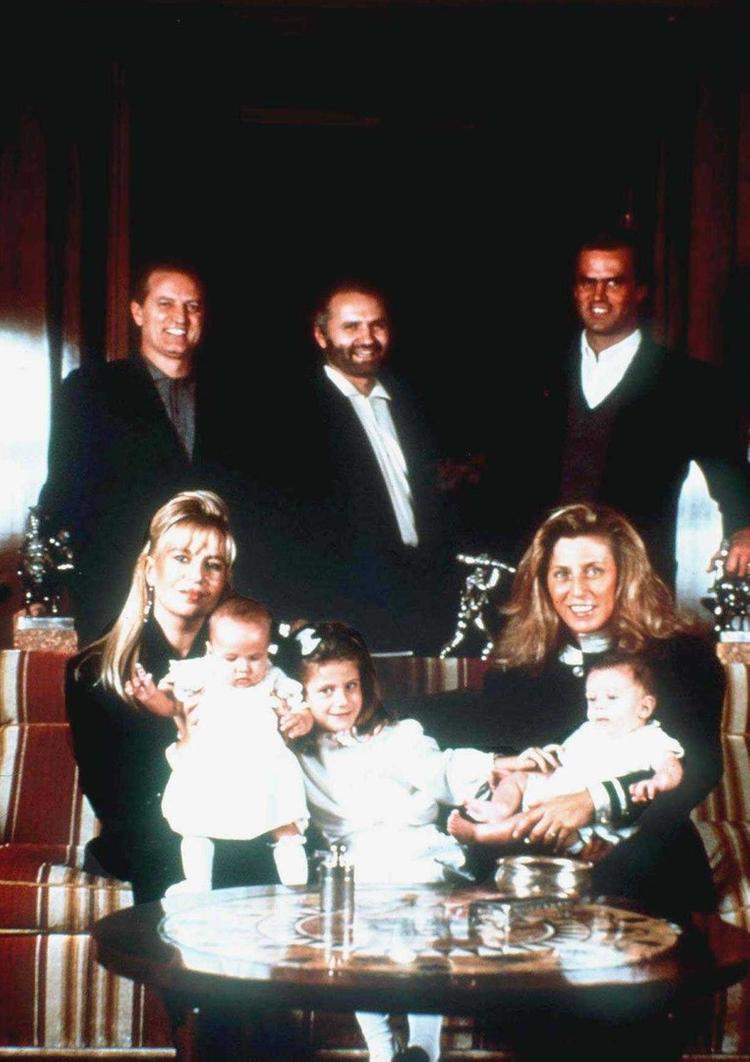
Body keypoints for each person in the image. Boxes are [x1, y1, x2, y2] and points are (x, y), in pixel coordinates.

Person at [398, 503, 724, 924]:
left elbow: (699, 766)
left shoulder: (681, 657)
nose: (577, 590)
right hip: (532, 861)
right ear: (544, 585)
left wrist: (590, 801)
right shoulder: (523, 667)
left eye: (594, 571)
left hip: (643, 853)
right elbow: (462, 718)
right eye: (562, 574)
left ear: (625, 577)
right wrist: (359, 703)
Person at [286, 621, 493, 1062]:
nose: (342, 701)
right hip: (353, 860)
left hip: (413, 851)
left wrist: (495, 769)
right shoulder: (297, 751)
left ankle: (424, 1045)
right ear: (300, 695)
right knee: (353, 937)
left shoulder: (396, 738)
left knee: (423, 935)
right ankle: (381, 1044)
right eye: (325, 691)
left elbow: (443, 769)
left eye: (351, 686)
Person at [516, 229, 750, 585]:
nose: (598, 296)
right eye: (588, 282)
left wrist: (744, 528)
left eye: (613, 283)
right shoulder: (537, 375)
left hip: (638, 588)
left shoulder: (688, 383)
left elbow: (731, 476)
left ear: (639, 291)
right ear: (575, 290)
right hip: (545, 583)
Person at [38, 260, 233, 642]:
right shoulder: (91, 389)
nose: (180, 317)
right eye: (165, 304)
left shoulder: (231, 397)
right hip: (119, 598)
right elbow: (65, 492)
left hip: (213, 605)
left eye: (192, 306)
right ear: (138, 312)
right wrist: (51, 587)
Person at [66, 490, 239, 904]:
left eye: (212, 564)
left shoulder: (243, 663)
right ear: (149, 569)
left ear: (224, 581)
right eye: (181, 558)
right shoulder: (94, 671)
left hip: (232, 827)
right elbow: (115, 801)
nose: (197, 575)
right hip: (144, 839)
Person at [264, 281, 455, 654]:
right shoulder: (290, 413)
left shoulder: (410, 404)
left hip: (420, 606)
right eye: (351, 326)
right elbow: (274, 525)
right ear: (321, 335)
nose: (367, 338)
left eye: (376, 325)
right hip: (340, 613)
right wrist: (295, 613)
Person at [127, 594, 311, 892]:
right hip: (211, 766)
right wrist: (151, 698)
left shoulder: (274, 678)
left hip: (264, 768)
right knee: (195, 826)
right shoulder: (199, 674)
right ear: (211, 651)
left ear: (267, 650)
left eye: (255, 658)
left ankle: (297, 887)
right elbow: (171, 707)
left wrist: (302, 719)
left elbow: (300, 707)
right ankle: (198, 883)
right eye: (231, 659)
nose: (243, 668)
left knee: (284, 825)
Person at [448, 650, 684, 852]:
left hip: (584, 824)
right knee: (518, 777)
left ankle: (479, 834)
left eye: (612, 697)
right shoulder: (588, 730)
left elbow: (671, 766)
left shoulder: (650, 739)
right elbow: (563, 756)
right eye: (592, 699)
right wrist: (545, 759)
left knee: (530, 820)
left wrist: (658, 782)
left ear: (645, 707)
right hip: (554, 791)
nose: (599, 706)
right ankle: (499, 809)